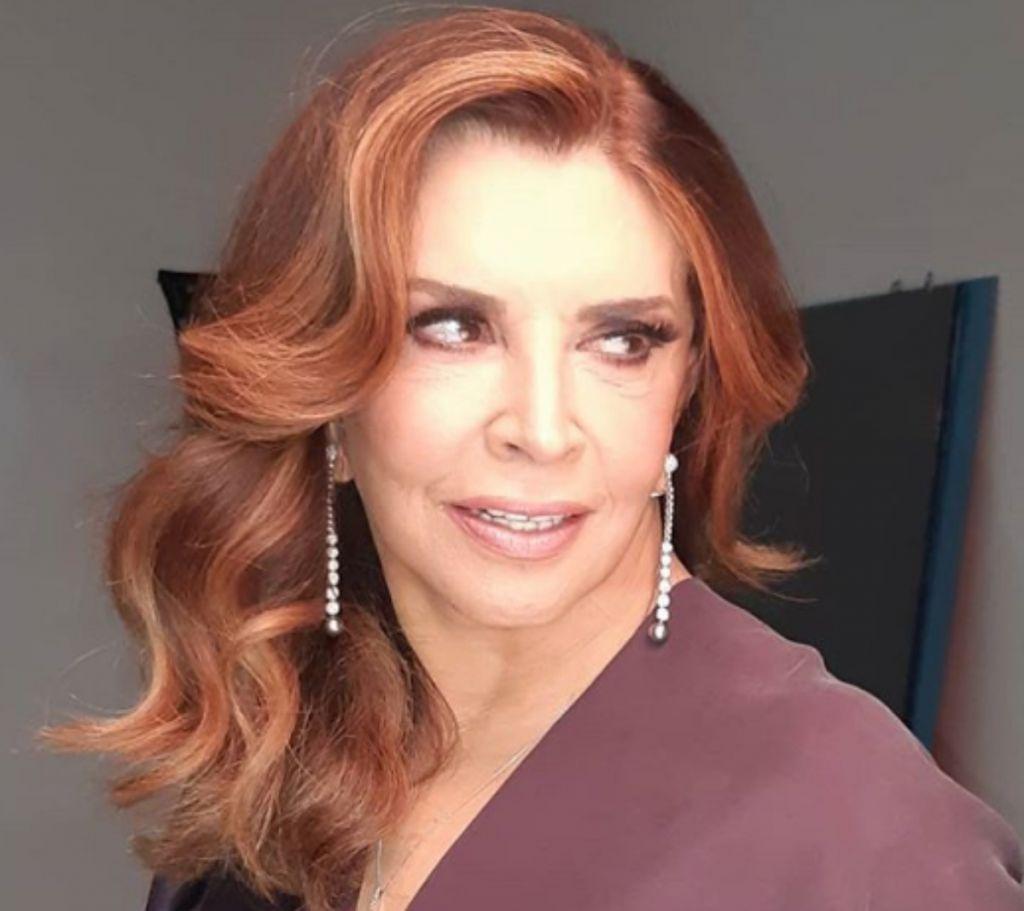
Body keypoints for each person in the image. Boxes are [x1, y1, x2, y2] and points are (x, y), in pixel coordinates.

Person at [38, 6, 1024, 910]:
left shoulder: (861, 839)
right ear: (325, 386)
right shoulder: (268, 763)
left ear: (686, 386)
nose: (542, 429)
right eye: (452, 326)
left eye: (621, 339)